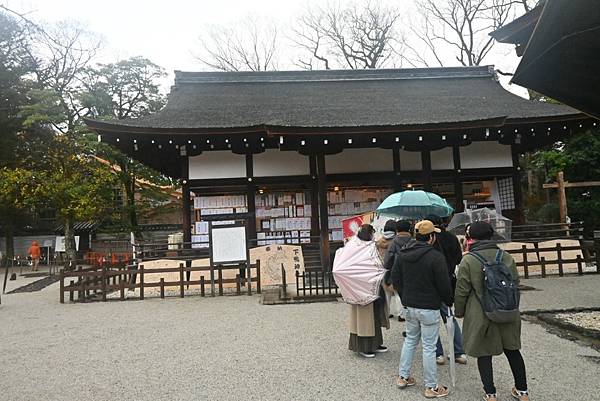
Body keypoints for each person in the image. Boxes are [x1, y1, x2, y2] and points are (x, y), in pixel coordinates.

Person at [454, 221, 529, 401]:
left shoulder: (469, 260)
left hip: (481, 312)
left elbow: (462, 289)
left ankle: (491, 394)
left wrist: (459, 310)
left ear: (472, 238)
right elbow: (515, 282)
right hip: (507, 310)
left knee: (484, 353)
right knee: (513, 350)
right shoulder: (505, 256)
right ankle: (523, 392)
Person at [392, 220, 452, 398]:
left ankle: (403, 376)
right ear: (432, 237)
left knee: (410, 340)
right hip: (429, 306)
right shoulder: (435, 257)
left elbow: (396, 279)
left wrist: (405, 298)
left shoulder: (403, 254)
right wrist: (448, 300)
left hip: (410, 305)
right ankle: (431, 386)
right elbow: (444, 285)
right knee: (429, 347)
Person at [425, 215, 467, 366]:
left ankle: (438, 354)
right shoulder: (451, 237)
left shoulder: (427, 240)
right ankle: (459, 351)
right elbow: (458, 259)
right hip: (448, 282)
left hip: (430, 285)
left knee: (431, 320)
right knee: (449, 317)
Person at [348, 224, 390, 358]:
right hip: (362, 287)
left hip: (374, 285)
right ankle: (364, 347)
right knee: (364, 318)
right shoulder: (357, 248)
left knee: (375, 316)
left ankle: (376, 343)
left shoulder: (370, 247)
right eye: (372, 233)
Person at [383, 220, 413, 321]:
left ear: (397, 230)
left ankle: (386, 313)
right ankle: (402, 314)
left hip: (394, 271)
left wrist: (385, 272)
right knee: (401, 294)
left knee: (389, 293)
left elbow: (388, 260)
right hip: (409, 272)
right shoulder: (413, 241)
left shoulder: (393, 243)